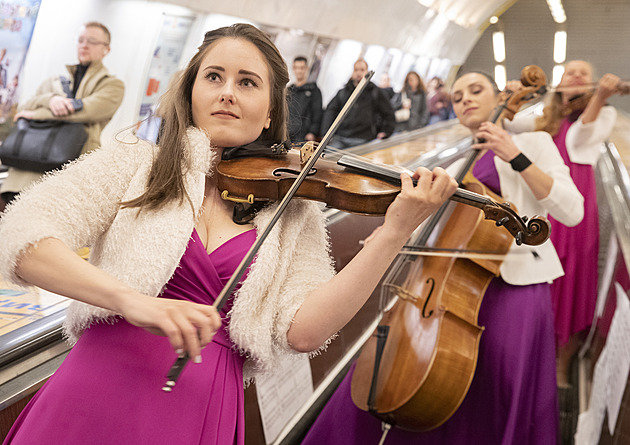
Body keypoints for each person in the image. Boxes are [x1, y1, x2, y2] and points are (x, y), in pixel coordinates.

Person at [0, 23, 458, 445]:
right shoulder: (133, 164)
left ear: (270, 111)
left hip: (200, 408)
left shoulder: (293, 205)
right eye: (213, 77)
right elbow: (20, 236)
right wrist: (129, 300)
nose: (227, 93)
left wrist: (394, 231)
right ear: (192, 93)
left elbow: (303, 333)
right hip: (95, 389)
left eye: (247, 82)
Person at [302, 71, 584, 445]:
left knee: (498, 387)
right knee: (420, 377)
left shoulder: (534, 142)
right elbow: (438, 225)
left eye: (476, 89)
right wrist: (392, 235)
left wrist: (513, 155)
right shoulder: (456, 164)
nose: (465, 98)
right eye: (457, 95)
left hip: (515, 289)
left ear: (499, 96)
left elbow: (572, 211)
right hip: (450, 289)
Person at [504, 60, 620, 387]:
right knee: (539, 271)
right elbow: (511, 126)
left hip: (575, 202)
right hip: (544, 196)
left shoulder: (604, 112)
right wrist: (511, 99)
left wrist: (600, 97)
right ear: (561, 80)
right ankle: (534, 351)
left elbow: (580, 137)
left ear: (593, 83)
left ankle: (561, 361)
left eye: (585, 72)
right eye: (571, 71)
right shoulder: (546, 114)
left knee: (571, 276)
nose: (578, 76)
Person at [0, 22, 124, 207]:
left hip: (69, 172)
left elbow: (87, 111)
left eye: (92, 41)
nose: (84, 45)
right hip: (26, 167)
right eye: (81, 40)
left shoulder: (112, 85)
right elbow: (26, 105)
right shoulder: (54, 82)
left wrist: (37, 114)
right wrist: (51, 100)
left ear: (106, 49)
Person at [321, 59, 395, 148]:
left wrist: (386, 131)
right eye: (356, 70)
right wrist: (325, 133)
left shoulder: (375, 92)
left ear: (367, 71)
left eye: (362, 70)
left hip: (364, 139)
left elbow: (388, 112)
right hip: (341, 137)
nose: (359, 73)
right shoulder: (343, 92)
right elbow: (330, 111)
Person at [287, 56, 322, 143]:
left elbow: (317, 113)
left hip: (303, 135)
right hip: (288, 133)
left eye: (302, 68)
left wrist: (312, 132)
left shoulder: (314, 91)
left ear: (306, 69)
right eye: (297, 68)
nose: (299, 71)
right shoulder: (289, 90)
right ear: (293, 69)